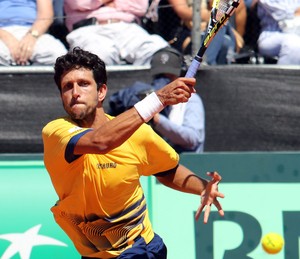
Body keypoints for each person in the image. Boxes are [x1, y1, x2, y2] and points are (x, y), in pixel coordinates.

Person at [42, 47, 224, 259]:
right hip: (94, 254)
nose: (75, 92)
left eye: (83, 84)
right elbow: (100, 141)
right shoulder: (55, 132)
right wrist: (159, 99)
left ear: (101, 91)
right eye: (67, 87)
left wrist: (202, 187)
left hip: (139, 248)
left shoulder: (137, 134)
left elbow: (167, 170)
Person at [109, 47, 205, 153]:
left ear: (177, 75)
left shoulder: (190, 99)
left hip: (186, 162)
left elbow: (193, 139)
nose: (164, 81)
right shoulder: (147, 96)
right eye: (160, 76)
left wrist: (157, 119)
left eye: (169, 76)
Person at [63, 0, 169, 66]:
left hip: (128, 28)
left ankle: (149, 95)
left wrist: (99, 2)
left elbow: (139, 7)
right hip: (90, 30)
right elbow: (80, 2)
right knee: (98, 55)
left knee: (158, 48)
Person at [0, 0, 67, 66]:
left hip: (34, 31)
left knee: (59, 56)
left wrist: (31, 36)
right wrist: (5, 37)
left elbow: (46, 16)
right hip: (2, 32)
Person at [257, 0, 300, 65]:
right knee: (294, 43)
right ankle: (284, 75)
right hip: (272, 36)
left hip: (297, 33)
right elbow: (285, 14)